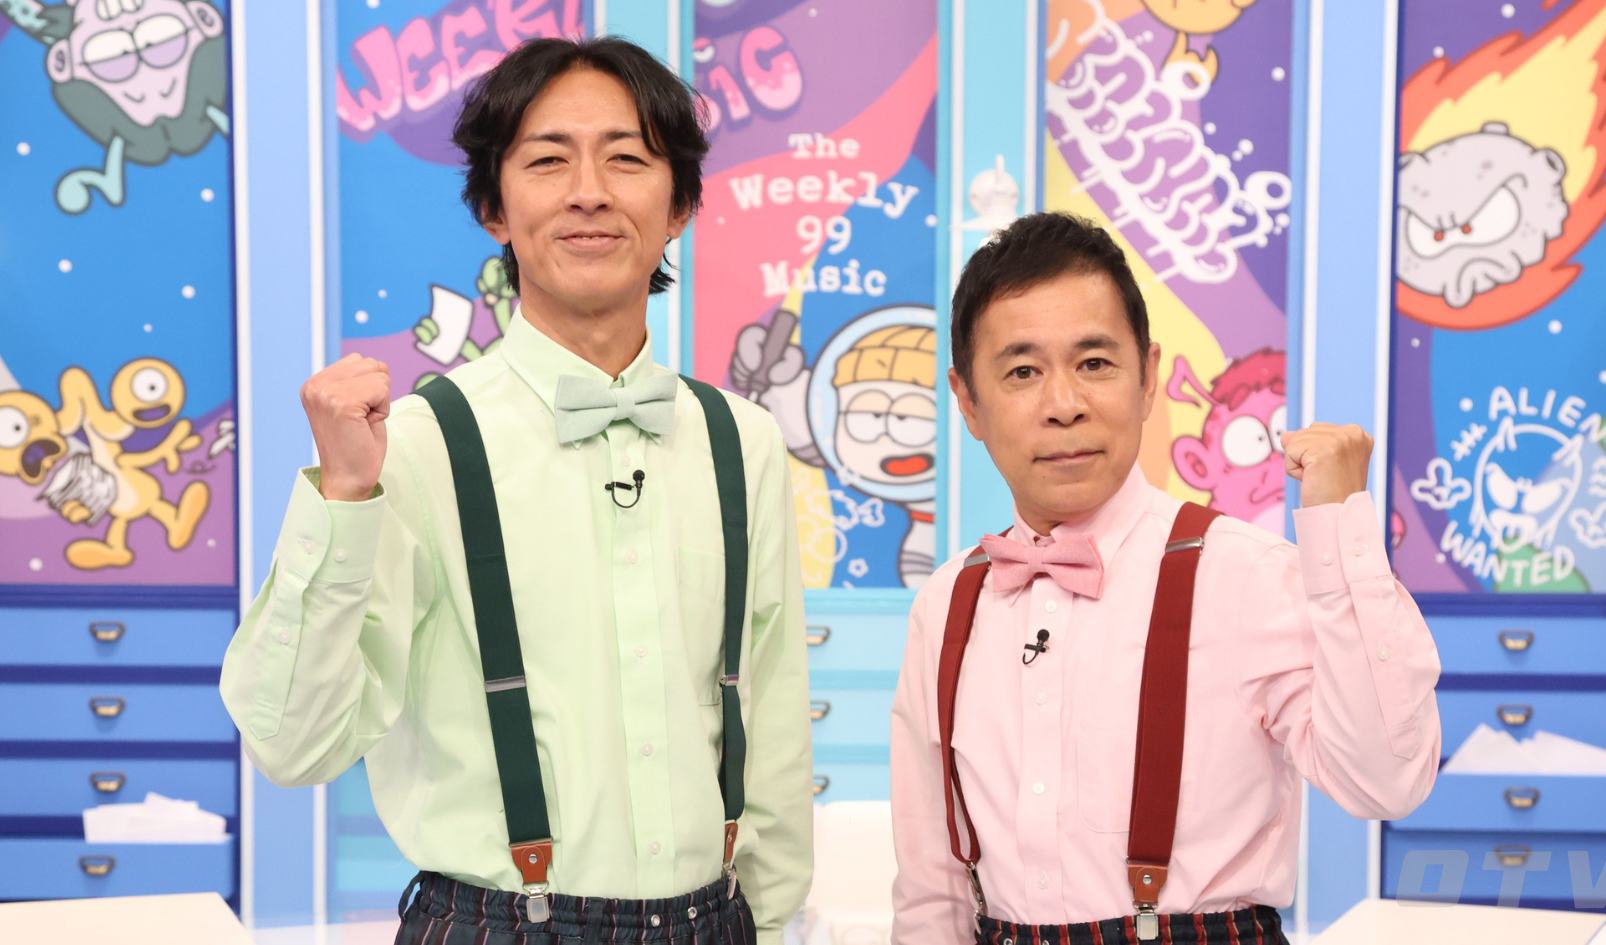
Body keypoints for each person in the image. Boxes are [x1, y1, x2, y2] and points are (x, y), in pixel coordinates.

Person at [220, 36, 812, 945]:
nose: (589, 191)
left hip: (715, 919)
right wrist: (341, 498)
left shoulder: (744, 441)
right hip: (493, 922)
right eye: (547, 160)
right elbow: (293, 743)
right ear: (495, 207)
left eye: (627, 158)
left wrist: (767, 924)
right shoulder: (412, 446)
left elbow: (769, 722)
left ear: (681, 205)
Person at [889, 212, 1441, 944]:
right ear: (969, 403)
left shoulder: (1249, 574)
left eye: (1094, 363)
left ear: (1148, 377)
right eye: (1022, 372)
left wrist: (1340, 529)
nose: (1064, 406)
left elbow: (1385, 781)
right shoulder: (947, 603)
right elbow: (932, 892)